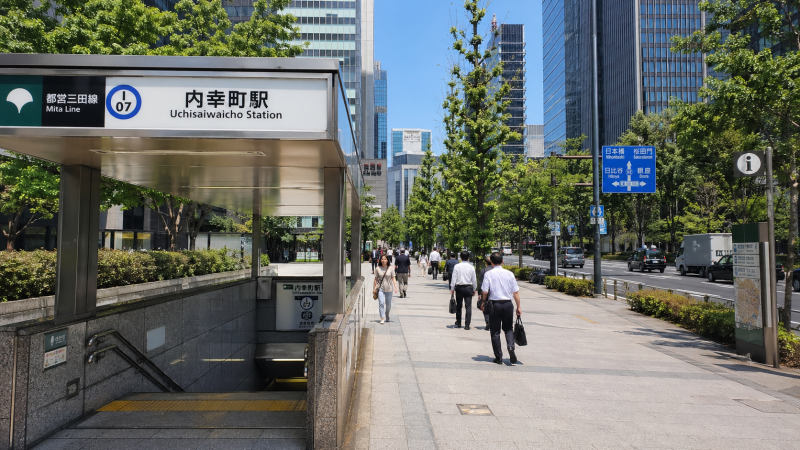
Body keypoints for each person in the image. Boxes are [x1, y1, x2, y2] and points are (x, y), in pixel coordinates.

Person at [480, 252, 522, 365]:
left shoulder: (488, 274)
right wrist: (518, 307)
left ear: (491, 262)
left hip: (494, 304)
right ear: (502, 261)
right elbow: (516, 292)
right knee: (508, 328)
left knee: (495, 331)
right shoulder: (510, 274)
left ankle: (498, 357)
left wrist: (483, 301)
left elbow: (485, 291)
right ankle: (511, 347)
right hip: (508, 304)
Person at [450, 251, 477, 329]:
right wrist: (474, 289)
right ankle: (467, 325)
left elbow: (454, 278)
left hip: (459, 288)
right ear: (468, 258)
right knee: (468, 307)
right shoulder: (471, 267)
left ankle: (458, 322)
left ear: (460, 257)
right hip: (468, 287)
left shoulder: (457, 266)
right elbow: (474, 279)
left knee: (459, 305)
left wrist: (452, 288)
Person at [373, 255, 397, 324]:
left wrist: (396, 287)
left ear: (387, 260)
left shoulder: (391, 268)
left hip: (389, 288)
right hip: (381, 288)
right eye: (382, 259)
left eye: (385, 259)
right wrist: (374, 289)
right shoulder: (377, 268)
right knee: (381, 303)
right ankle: (382, 318)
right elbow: (375, 279)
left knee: (388, 304)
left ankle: (387, 314)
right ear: (380, 260)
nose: (383, 260)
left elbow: (393, 277)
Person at [477, 256, 494, 331]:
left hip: (485, 291)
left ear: (486, 263)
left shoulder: (483, 271)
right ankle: (493, 321)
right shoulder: (496, 270)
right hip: (495, 292)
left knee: (485, 305)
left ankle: (487, 321)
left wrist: (479, 293)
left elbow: (480, 283)